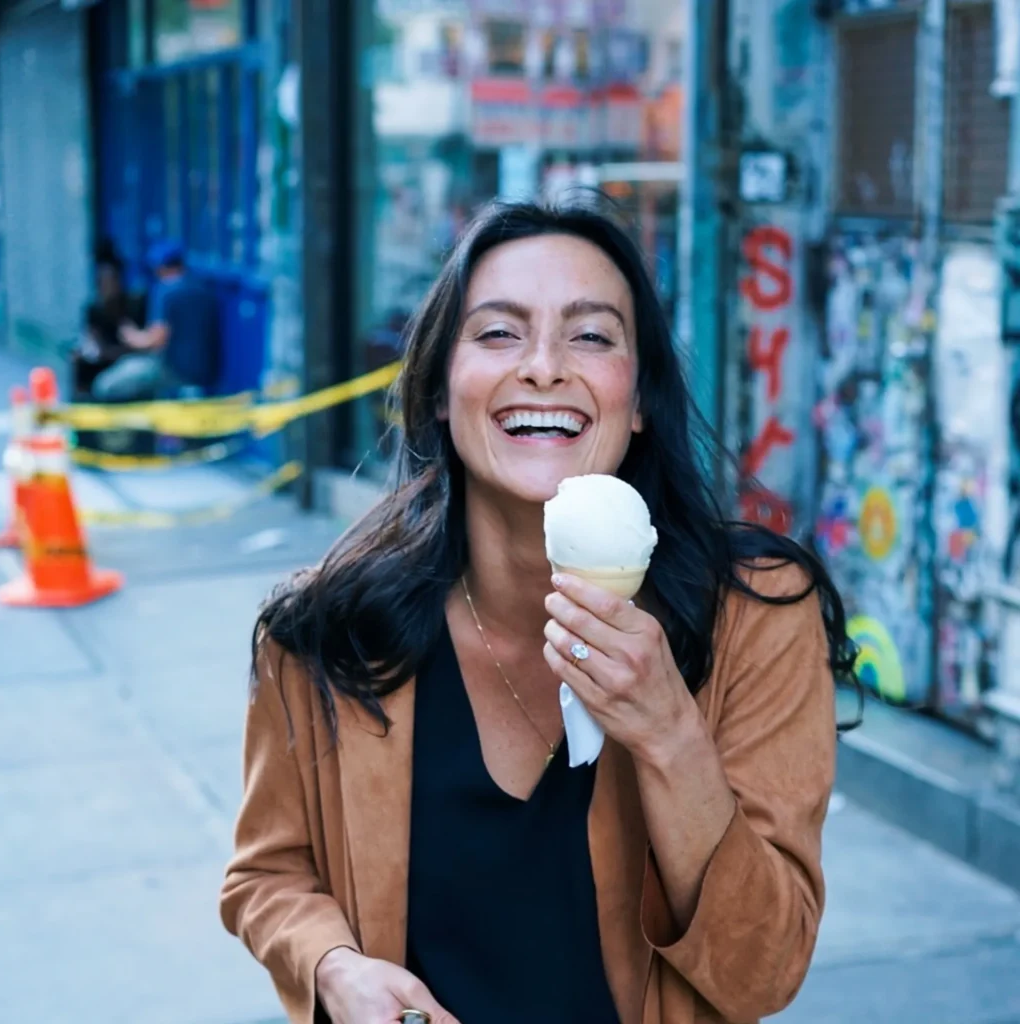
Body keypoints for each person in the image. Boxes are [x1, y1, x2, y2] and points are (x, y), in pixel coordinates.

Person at [220, 200, 857, 1024]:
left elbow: (764, 970)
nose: (545, 367)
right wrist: (333, 966)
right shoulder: (324, 634)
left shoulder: (757, 620)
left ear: (638, 403)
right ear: (443, 394)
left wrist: (669, 733)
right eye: (497, 333)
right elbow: (266, 875)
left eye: (591, 335)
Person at [91, 240, 220, 401]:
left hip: (173, 371)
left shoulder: (165, 291)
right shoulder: (202, 289)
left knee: (105, 386)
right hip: (208, 372)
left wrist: (131, 335)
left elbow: (156, 340)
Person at [70, 241, 147, 400]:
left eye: (111, 282)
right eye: (102, 283)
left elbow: (138, 342)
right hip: (105, 356)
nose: (107, 288)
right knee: (79, 361)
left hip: (128, 358)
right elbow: (92, 340)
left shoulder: (134, 305)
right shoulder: (94, 309)